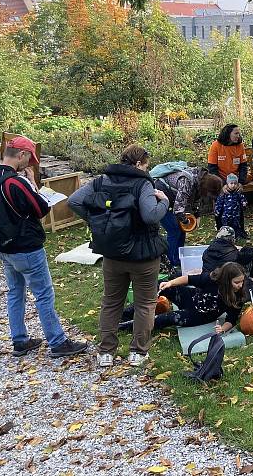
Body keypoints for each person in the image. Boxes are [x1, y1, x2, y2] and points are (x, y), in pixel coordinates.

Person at [0, 136, 87, 359]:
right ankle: (57, 342)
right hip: (26, 248)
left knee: (15, 293)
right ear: (21, 155)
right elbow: (40, 208)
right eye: (29, 158)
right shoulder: (16, 182)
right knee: (44, 295)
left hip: (4, 248)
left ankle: (20, 340)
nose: (30, 163)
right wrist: (33, 185)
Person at [68, 144, 169, 368]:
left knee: (111, 302)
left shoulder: (102, 180)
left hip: (112, 254)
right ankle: (138, 353)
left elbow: (73, 201)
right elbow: (151, 216)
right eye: (146, 165)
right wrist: (165, 202)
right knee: (145, 304)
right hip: (143, 254)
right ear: (138, 164)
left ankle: (105, 353)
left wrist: (98, 220)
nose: (147, 170)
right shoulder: (142, 184)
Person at [128, 262, 248, 333]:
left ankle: (127, 326)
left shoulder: (239, 296)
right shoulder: (211, 279)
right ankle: (128, 312)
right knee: (161, 286)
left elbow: (231, 320)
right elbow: (188, 279)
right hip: (190, 297)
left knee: (166, 318)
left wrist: (222, 329)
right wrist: (170, 283)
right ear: (226, 281)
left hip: (199, 316)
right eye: (237, 282)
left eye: (242, 281)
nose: (240, 285)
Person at [152, 165, 223, 273]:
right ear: (207, 188)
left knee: (181, 230)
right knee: (174, 230)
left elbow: (194, 200)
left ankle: (178, 258)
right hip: (159, 198)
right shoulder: (186, 181)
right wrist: (186, 222)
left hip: (172, 200)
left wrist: (197, 215)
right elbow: (178, 210)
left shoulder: (200, 183)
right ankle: (170, 261)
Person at [215, 173, 248, 239]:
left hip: (236, 214)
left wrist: (244, 203)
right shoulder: (224, 193)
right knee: (226, 226)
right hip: (226, 214)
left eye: (235, 183)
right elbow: (219, 202)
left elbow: (242, 199)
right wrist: (217, 211)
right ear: (227, 184)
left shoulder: (238, 193)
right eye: (231, 183)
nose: (233, 185)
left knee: (236, 225)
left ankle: (237, 235)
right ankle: (225, 236)